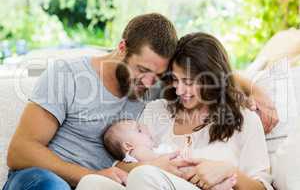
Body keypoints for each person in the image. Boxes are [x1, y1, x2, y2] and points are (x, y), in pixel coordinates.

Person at [3, 12, 277, 190]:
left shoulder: (158, 90)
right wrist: (92, 173)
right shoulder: (68, 75)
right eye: (143, 71)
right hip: (43, 179)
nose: (149, 83)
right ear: (122, 48)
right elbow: (19, 152)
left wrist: (256, 89)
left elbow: (208, 71)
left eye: (159, 76)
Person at [76, 32, 273, 190]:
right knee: (91, 183)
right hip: (148, 182)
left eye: (188, 82)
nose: (179, 90)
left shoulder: (244, 119)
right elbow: (121, 166)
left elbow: (262, 187)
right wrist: (154, 165)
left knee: (144, 177)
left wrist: (228, 171)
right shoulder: (158, 111)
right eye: (175, 80)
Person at [102, 119, 237, 190]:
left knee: (196, 173)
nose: (145, 129)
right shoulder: (138, 151)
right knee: (191, 171)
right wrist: (176, 154)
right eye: (139, 130)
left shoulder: (136, 157)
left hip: (171, 177)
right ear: (128, 146)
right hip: (172, 172)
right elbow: (157, 162)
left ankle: (218, 185)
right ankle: (218, 186)